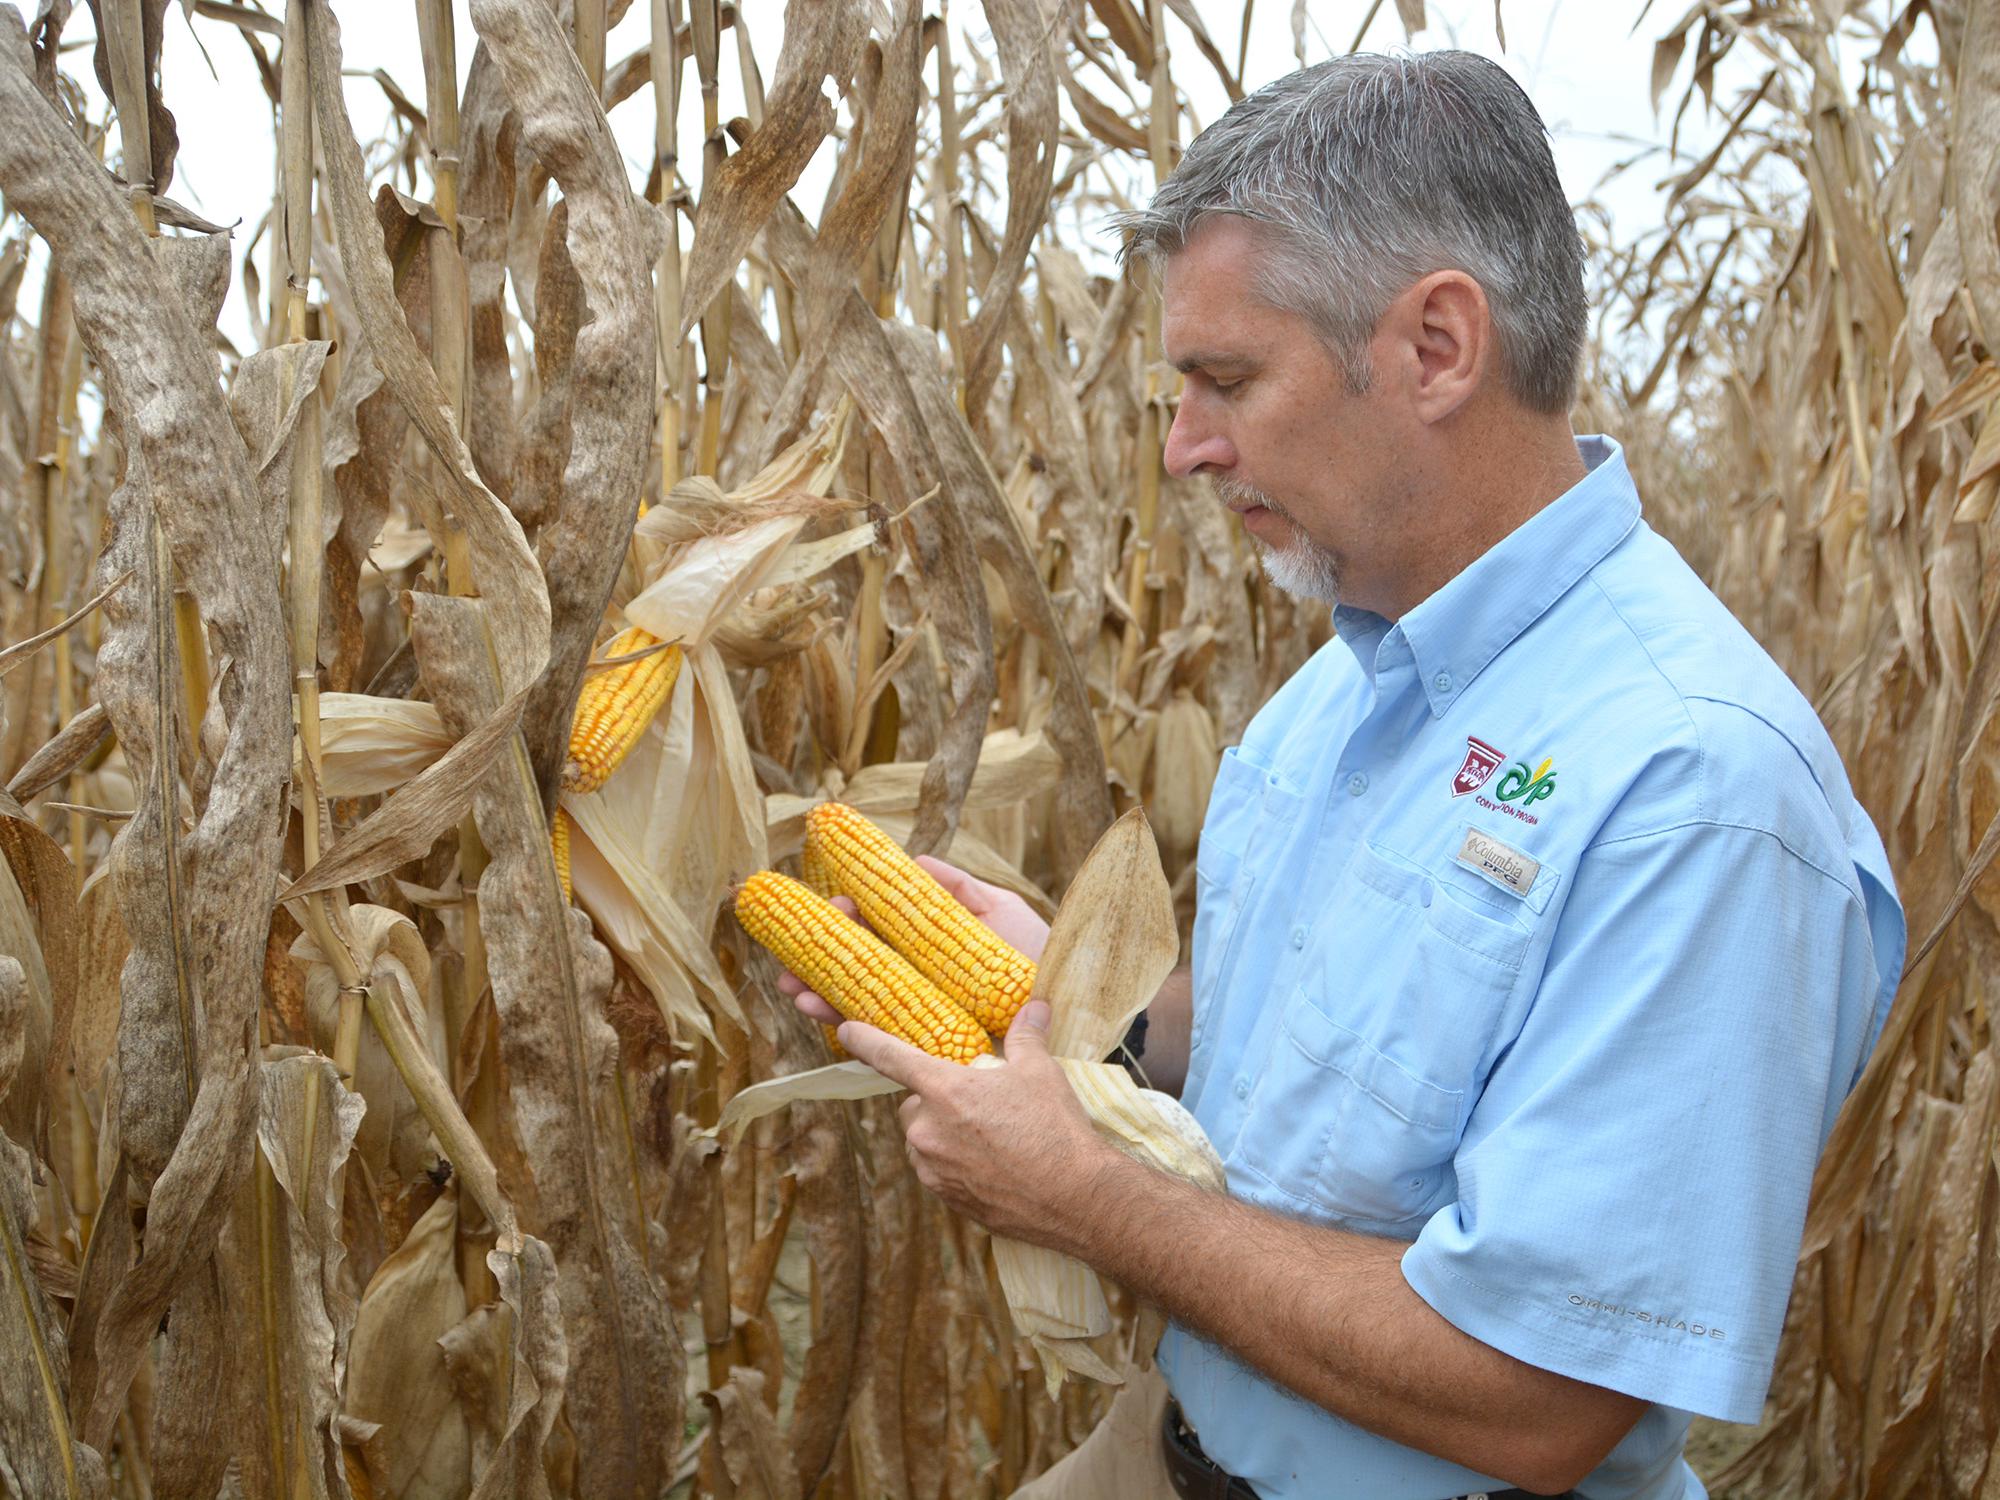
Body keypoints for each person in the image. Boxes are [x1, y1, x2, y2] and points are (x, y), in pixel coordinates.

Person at [786, 49, 1903, 1500]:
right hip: (1163, 1451)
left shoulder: (1695, 790)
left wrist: (1086, 1197)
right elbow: (1303, 1057)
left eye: (1227, 381)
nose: (1183, 449)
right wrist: (1077, 1012)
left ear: (1437, 346)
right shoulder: (1352, 676)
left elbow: (1536, 1397)